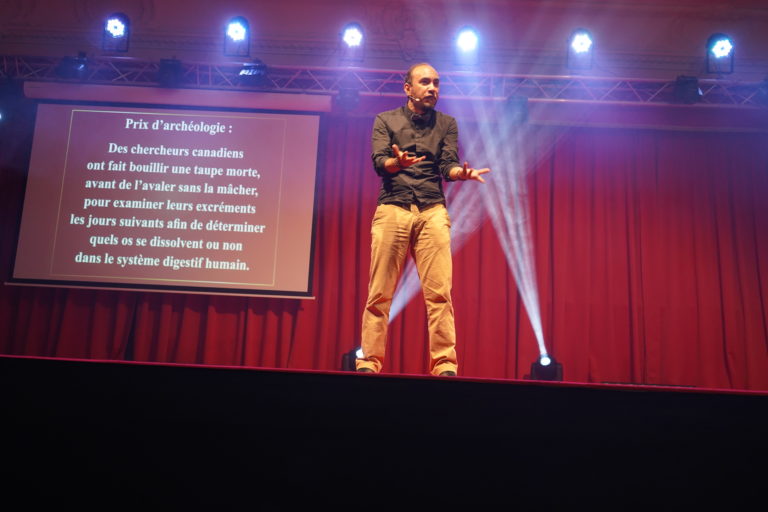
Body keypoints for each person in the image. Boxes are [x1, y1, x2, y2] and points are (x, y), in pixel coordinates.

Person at [356, 63, 490, 376]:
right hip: (394, 208)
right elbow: (379, 162)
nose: (432, 88)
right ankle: (369, 361)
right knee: (379, 293)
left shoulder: (447, 123)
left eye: (436, 83)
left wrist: (460, 173)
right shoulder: (385, 120)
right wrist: (397, 162)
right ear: (408, 88)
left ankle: (444, 364)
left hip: (432, 211)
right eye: (425, 82)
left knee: (439, 294)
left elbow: (447, 165)